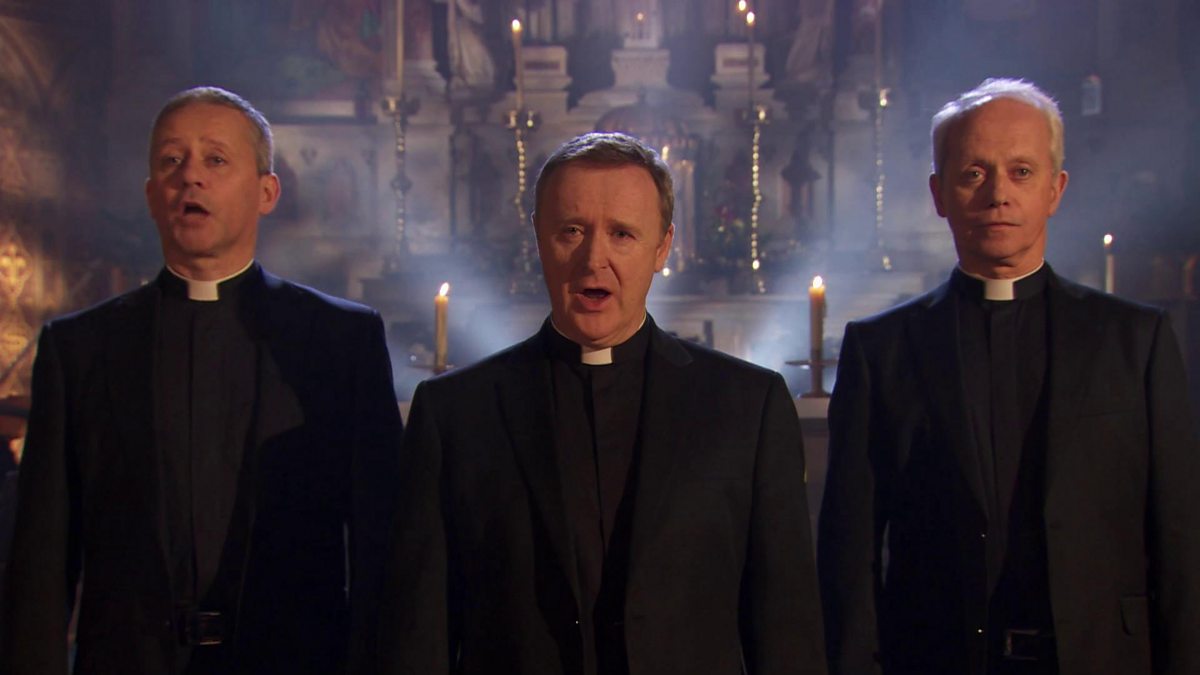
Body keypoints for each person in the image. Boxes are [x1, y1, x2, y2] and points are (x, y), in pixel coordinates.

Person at [378, 132, 826, 675]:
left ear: (662, 247)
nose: (594, 258)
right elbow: (417, 636)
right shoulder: (455, 414)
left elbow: (787, 630)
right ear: (539, 238)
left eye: (622, 234)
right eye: (571, 230)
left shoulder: (747, 407)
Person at [1, 86, 403, 675]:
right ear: (151, 195)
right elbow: (41, 561)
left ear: (267, 192)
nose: (190, 176)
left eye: (215, 159)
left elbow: (380, 541)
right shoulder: (80, 349)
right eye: (171, 160)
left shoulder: (340, 341)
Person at [818, 78, 1200, 675]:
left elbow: (1180, 540)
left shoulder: (1135, 341)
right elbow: (850, 553)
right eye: (974, 173)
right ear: (939, 193)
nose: (998, 194)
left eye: (1021, 172)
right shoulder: (882, 350)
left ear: (1055, 189)